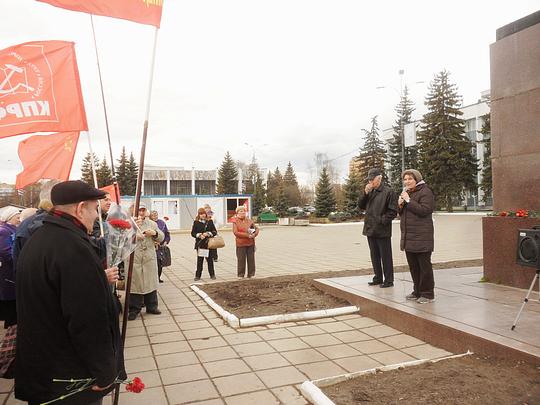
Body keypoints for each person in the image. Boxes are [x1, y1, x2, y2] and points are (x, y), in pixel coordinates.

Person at [15, 180, 125, 405]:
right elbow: (87, 320)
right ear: (80, 207)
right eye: (95, 209)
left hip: (44, 370)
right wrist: (105, 372)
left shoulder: (41, 238)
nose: (96, 216)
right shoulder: (73, 248)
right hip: (70, 377)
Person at [398, 169, 436, 304]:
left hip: (422, 237)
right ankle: (417, 291)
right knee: (414, 266)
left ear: (417, 180)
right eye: (405, 179)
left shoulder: (425, 192)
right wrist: (400, 205)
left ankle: (428, 293)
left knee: (424, 267)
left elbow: (425, 210)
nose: (407, 181)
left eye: (410, 179)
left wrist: (408, 201)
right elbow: (403, 214)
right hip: (409, 237)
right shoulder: (408, 192)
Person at [358, 168, 398, 288]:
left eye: (372, 179)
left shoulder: (389, 192)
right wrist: (365, 193)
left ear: (379, 179)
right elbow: (360, 206)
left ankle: (389, 280)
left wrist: (381, 221)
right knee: (374, 255)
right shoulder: (370, 191)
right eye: (369, 179)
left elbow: (392, 212)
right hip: (370, 229)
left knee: (385, 256)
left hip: (382, 229)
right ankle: (378, 277)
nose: (370, 182)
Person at [127, 204, 164, 320]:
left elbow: (161, 237)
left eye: (143, 210)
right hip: (135, 259)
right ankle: (134, 309)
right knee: (135, 285)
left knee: (150, 283)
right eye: (138, 210)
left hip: (148, 259)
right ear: (133, 210)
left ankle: (152, 306)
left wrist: (155, 234)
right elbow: (121, 239)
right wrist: (134, 236)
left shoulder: (152, 224)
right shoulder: (127, 223)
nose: (141, 213)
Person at [0, 207, 21, 329]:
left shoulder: (12, 229)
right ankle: (10, 333)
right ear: (10, 217)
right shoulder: (3, 231)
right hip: (8, 274)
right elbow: (5, 252)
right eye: (17, 217)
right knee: (11, 307)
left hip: (11, 272)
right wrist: (20, 258)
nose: (19, 219)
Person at [191, 207, 217, 281]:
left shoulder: (210, 221)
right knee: (200, 261)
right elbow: (193, 233)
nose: (202, 215)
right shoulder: (196, 222)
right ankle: (198, 276)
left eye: (204, 214)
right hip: (200, 244)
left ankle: (212, 275)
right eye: (201, 214)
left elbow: (215, 232)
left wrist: (208, 234)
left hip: (209, 244)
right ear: (199, 215)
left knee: (210, 260)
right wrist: (199, 235)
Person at [233, 205, 259, 278]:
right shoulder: (235, 221)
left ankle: (251, 274)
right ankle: (240, 274)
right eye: (241, 211)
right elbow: (236, 232)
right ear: (237, 213)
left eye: (244, 211)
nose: (243, 212)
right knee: (241, 260)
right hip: (240, 244)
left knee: (251, 259)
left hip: (250, 243)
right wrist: (247, 235)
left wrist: (254, 234)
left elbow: (256, 229)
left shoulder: (249, 221)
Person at [149, 210, 171, 283]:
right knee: (153, 264)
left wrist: (166, 241)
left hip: (160, 248)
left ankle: (158, 277)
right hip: (152, 247)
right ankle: (153, 279)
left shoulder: (162, 223)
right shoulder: (149, 223)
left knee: (160, 264)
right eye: (153, 215)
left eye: (156, 215)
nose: (155, 216)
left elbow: (167, 234)